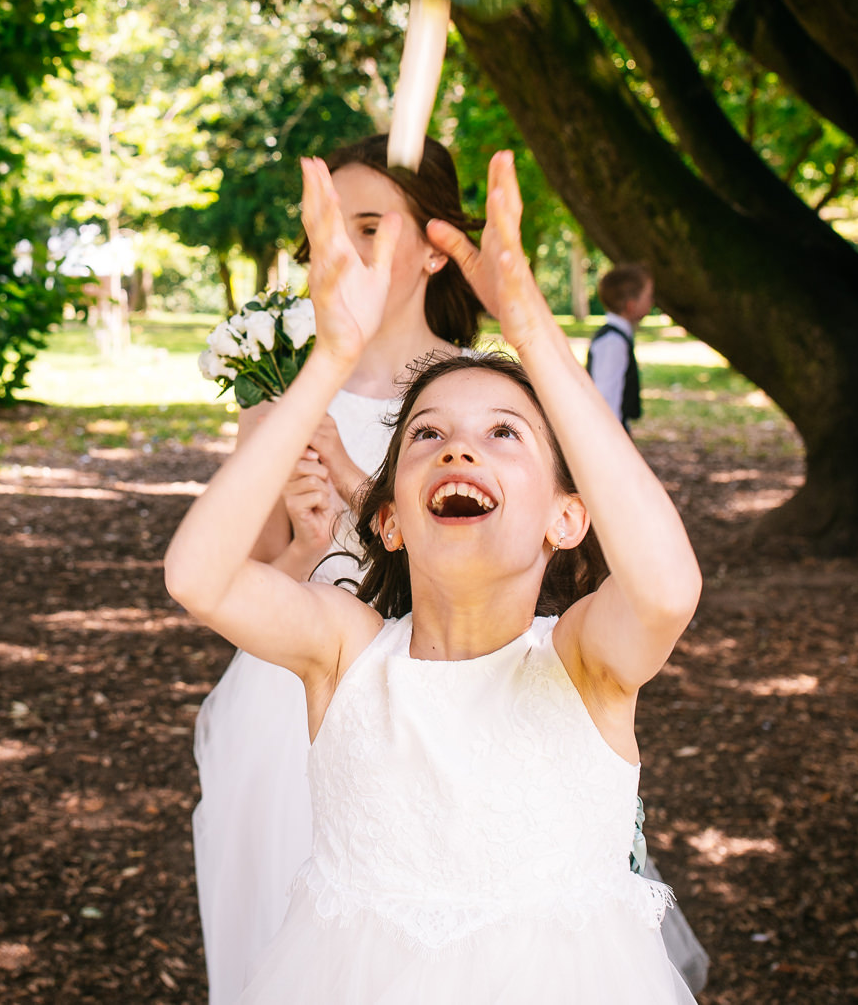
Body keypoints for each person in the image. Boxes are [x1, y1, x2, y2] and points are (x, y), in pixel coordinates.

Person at [167, 152, 703, 1004]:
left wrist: (530, 325)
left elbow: (668, 588)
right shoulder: (343, 656)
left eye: (504, 434)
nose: (460, 447)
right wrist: (328, 357)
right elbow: (199, 576)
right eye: (425, 435)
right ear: (387, 517)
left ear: (568, 517)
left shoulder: (583, 665)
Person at [191, 134, 480, 1005]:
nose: (344, 251)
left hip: (438, 696)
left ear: (435, 245)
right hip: (288, 711)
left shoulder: (477, 393)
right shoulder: (283, 395)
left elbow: (500, 575)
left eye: (370, 225)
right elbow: (230, 583)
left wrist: (360, 491)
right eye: (329, 229)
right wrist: (309, 544)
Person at [586, 263, 654, 430]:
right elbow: (606, 398)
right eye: (649, 296)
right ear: (631, 305)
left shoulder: (619, 337)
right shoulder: (612, 342)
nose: (652, 301)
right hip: (609, 433)